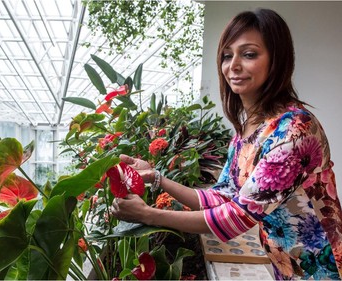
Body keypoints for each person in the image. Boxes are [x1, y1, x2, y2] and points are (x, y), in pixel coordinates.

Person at [111, 8, 342, 280]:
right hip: (287, 266)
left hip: (325, 268)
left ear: (277, 60)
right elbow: (222, 196)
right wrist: (156, 177)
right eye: (226, 55)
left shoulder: (294, 130)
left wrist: (149, 215)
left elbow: (236, 217)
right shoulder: (247, 131)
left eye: (249, 54)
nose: (233, 65)